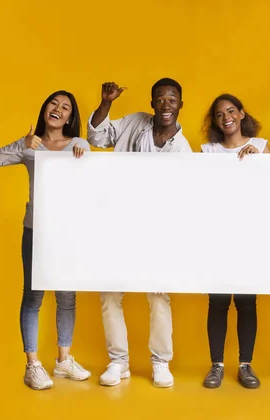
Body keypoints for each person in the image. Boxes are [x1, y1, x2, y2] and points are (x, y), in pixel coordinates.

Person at [85, 78, 192, 387]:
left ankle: (161, 362)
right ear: (152, 104)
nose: (166, 104)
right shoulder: (134, 123)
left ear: (180, 105)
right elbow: (97, 137)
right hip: (118, 225)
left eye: (172, 99)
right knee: (109, 294)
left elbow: (184, 198)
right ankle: (119, 362)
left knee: (158, 296)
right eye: (160, 99)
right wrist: (106, 103)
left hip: (157, 234)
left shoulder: (183, 150)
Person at [0, 90, 91, 390]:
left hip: (67, 232)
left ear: (71, 117)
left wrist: (83, 158)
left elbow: (91, 182)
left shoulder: (78, 145)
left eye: (65, 107)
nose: (58, 109)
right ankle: (33, 365)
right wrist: (21, 143)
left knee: (67, 296)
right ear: (45, 109)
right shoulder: (32, 146)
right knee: (33, 296)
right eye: (54, 104)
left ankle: (63, 360)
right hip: (36, 229)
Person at [199, 94, 270, 389]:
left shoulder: (263, 147)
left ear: (242, 114)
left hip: (249, 236)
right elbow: (201, 191)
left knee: (246, 302)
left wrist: (260, 163)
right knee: (217, 303)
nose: (226, 116)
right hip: (217, 235)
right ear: (215, 122)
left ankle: (245, 365)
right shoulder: (207, 151)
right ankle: (216, 365)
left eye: (231, 110)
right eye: (219, 114)